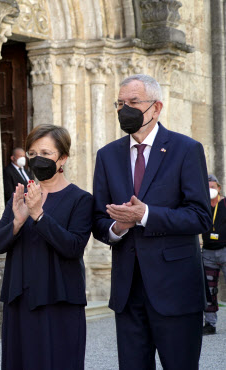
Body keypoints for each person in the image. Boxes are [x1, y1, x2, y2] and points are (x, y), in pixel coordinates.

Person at [92, 74, 211, 370]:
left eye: (133, 102)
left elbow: (200, 216)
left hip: (176, 289)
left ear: (156, 108)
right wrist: (118, 227)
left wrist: (145, 215)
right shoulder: (107, 156)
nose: (124, 109)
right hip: (128, 291)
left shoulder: (186, 149)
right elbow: (98, 220)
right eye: (120, 103)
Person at [0, 125, 93, 370]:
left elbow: (73, 247)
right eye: (33, 153)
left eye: (46, 153)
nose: (38, 159)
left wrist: (39, 215)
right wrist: (18, 220)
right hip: (20, 298)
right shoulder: (21, 195)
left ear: (62, 158)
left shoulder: (81, 199)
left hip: (59, 299)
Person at [202, 174, 226, 335]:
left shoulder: (224, 204)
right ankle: (210, 324)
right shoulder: (201, 205)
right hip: (208, 252)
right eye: (207, 187)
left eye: (213, 186)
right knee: (208, 290)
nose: (210, 189)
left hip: (225, 250)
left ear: (218, 188)